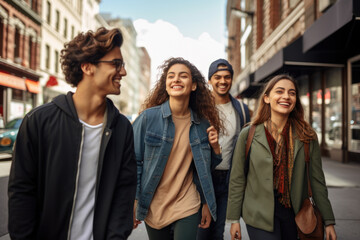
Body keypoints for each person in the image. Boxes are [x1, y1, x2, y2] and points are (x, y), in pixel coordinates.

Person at [8, 27, 137, 240]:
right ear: (87, 67)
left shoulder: (122, 128)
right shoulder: (39, 121)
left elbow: (123, 194)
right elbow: (21, 192)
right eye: (116, 64)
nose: (122, 72)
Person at [227, 74, 337, 240]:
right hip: (258, 214)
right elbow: (237, 178)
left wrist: (328, 221)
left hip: (295, 214)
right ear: (266, 98)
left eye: (292, 93)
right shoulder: (248, 134)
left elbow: (317, 181)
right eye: (280, 91)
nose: (286, 96)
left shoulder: (307, 136)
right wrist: (234, 219)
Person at [133, 57, 223, 240]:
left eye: (183, 76)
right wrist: (134, 200)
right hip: (154, 203)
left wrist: (215, 148)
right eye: (171, 76)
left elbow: (204, 169)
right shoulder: (148, 118)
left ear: (194, 86)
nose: (176, 80)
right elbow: (134, 161)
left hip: (187, 202)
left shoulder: (202, 124)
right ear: (166, 85)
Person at [197, 59, 250, 240]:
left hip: (228, 179)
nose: (222, 81)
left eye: (227, 77)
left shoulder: (242, 110)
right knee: (201, 231)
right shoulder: (199, 108)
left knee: (218, 232)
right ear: (210, 80)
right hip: (204, 178)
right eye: (217, 77)